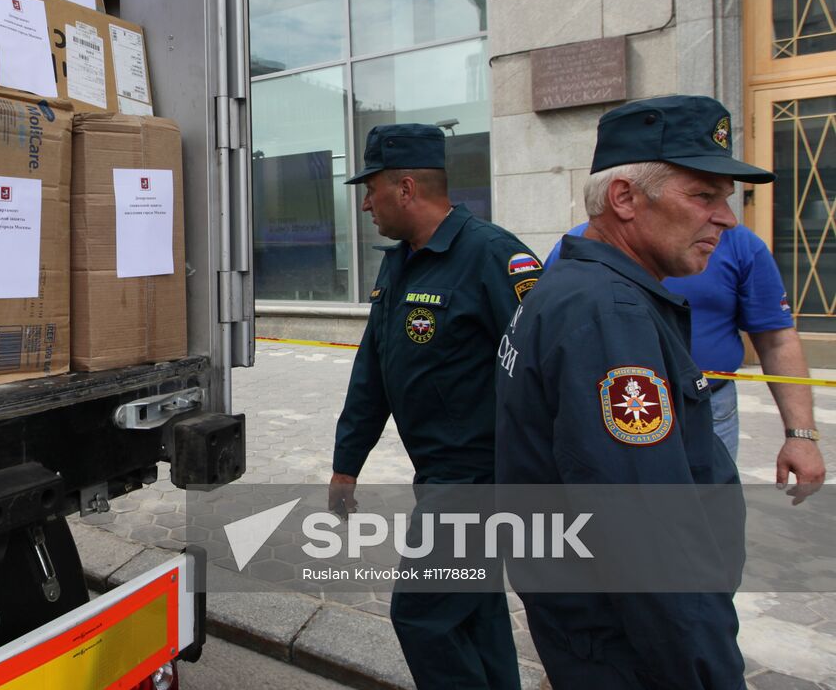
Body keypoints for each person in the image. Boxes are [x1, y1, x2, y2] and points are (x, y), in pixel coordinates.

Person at [496, 94, 791, 688]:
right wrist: (708, 670)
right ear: (624, 198)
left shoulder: (576, 287)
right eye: (703, 196)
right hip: (631, 642)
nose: (727, 218)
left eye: (726, 199)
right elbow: (646, 530)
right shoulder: (610, 312)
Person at [330, 123, 540, 690]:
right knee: (475, 611)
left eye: (371, 188)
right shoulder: (399, 262)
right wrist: (347, 462)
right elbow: (372, 371)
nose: (366, 202)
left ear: (405, 188)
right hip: (441, 475)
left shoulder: (494, 255)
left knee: (421, 614)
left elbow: (547, 369)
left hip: (481, 481)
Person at [544, 222, 825, 494]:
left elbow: (777, 340)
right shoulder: (583, 243)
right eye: (702, 194)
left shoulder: (740, 244)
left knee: (711, 513)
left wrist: (801, 437)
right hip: (615, 410)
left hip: (711, 406)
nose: (725, 214)